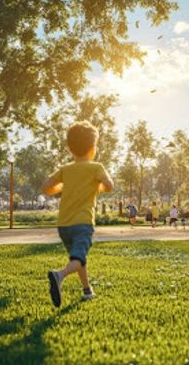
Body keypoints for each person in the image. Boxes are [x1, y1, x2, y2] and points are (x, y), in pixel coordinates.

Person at [42, 120, 114, 307]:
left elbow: (46, 187)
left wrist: (65, 185)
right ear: (93, 148)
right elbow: (110, 186)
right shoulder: (96, 167)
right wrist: (100, 184)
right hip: (82, 223)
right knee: (77, 258)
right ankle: (59, 275)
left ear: (69, 148)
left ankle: (87, 289)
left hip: (63, 225)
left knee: (78, 258)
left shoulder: (65, 169)